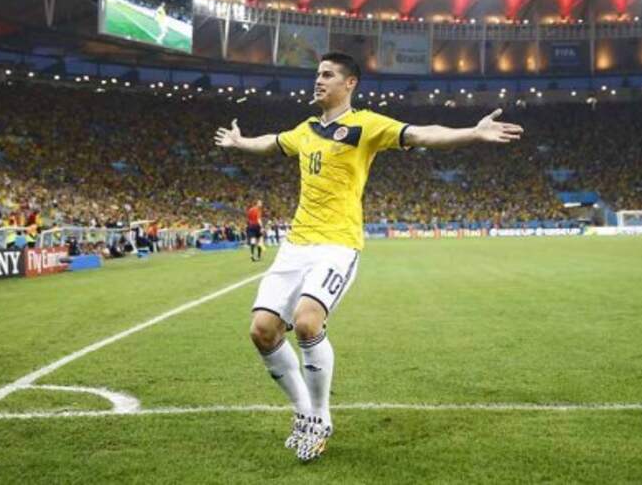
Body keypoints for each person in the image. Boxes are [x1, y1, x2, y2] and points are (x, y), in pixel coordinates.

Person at [214, 51, 523, 462]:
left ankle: (321, 417)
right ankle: (303, 412)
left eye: (327, 75)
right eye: (317, 75)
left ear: (350, 84)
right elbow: (269, 143)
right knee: (262, 330)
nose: (318, 81)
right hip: (296, 244)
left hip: (338, 243)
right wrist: (238, 142)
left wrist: (472, 132)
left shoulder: (366, 125)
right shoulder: (304, 130)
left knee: (307, 322)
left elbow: (421, 133)